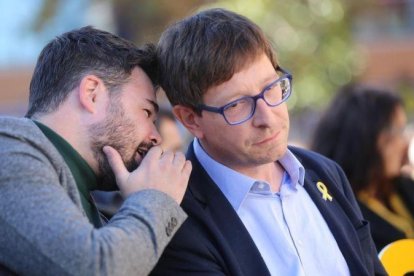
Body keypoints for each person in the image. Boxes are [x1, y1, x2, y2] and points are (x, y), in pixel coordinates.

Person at [151, 8, 385, 276]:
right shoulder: (174, 219)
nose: (267, 116)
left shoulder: (326, 173)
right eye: (238, 104)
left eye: (271, 87)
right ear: (191, 119)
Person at [0, 26, 192, 275]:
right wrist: (156, 198)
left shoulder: (89, 203)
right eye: (146, 112)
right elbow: (95, 268)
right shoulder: (8, 149)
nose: (155, 137)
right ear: (92, 93)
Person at [310, 84, 414, 251]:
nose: (404, 142)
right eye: (397, 131)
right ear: (365, 138)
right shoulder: (339, 209)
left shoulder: (403, 187)